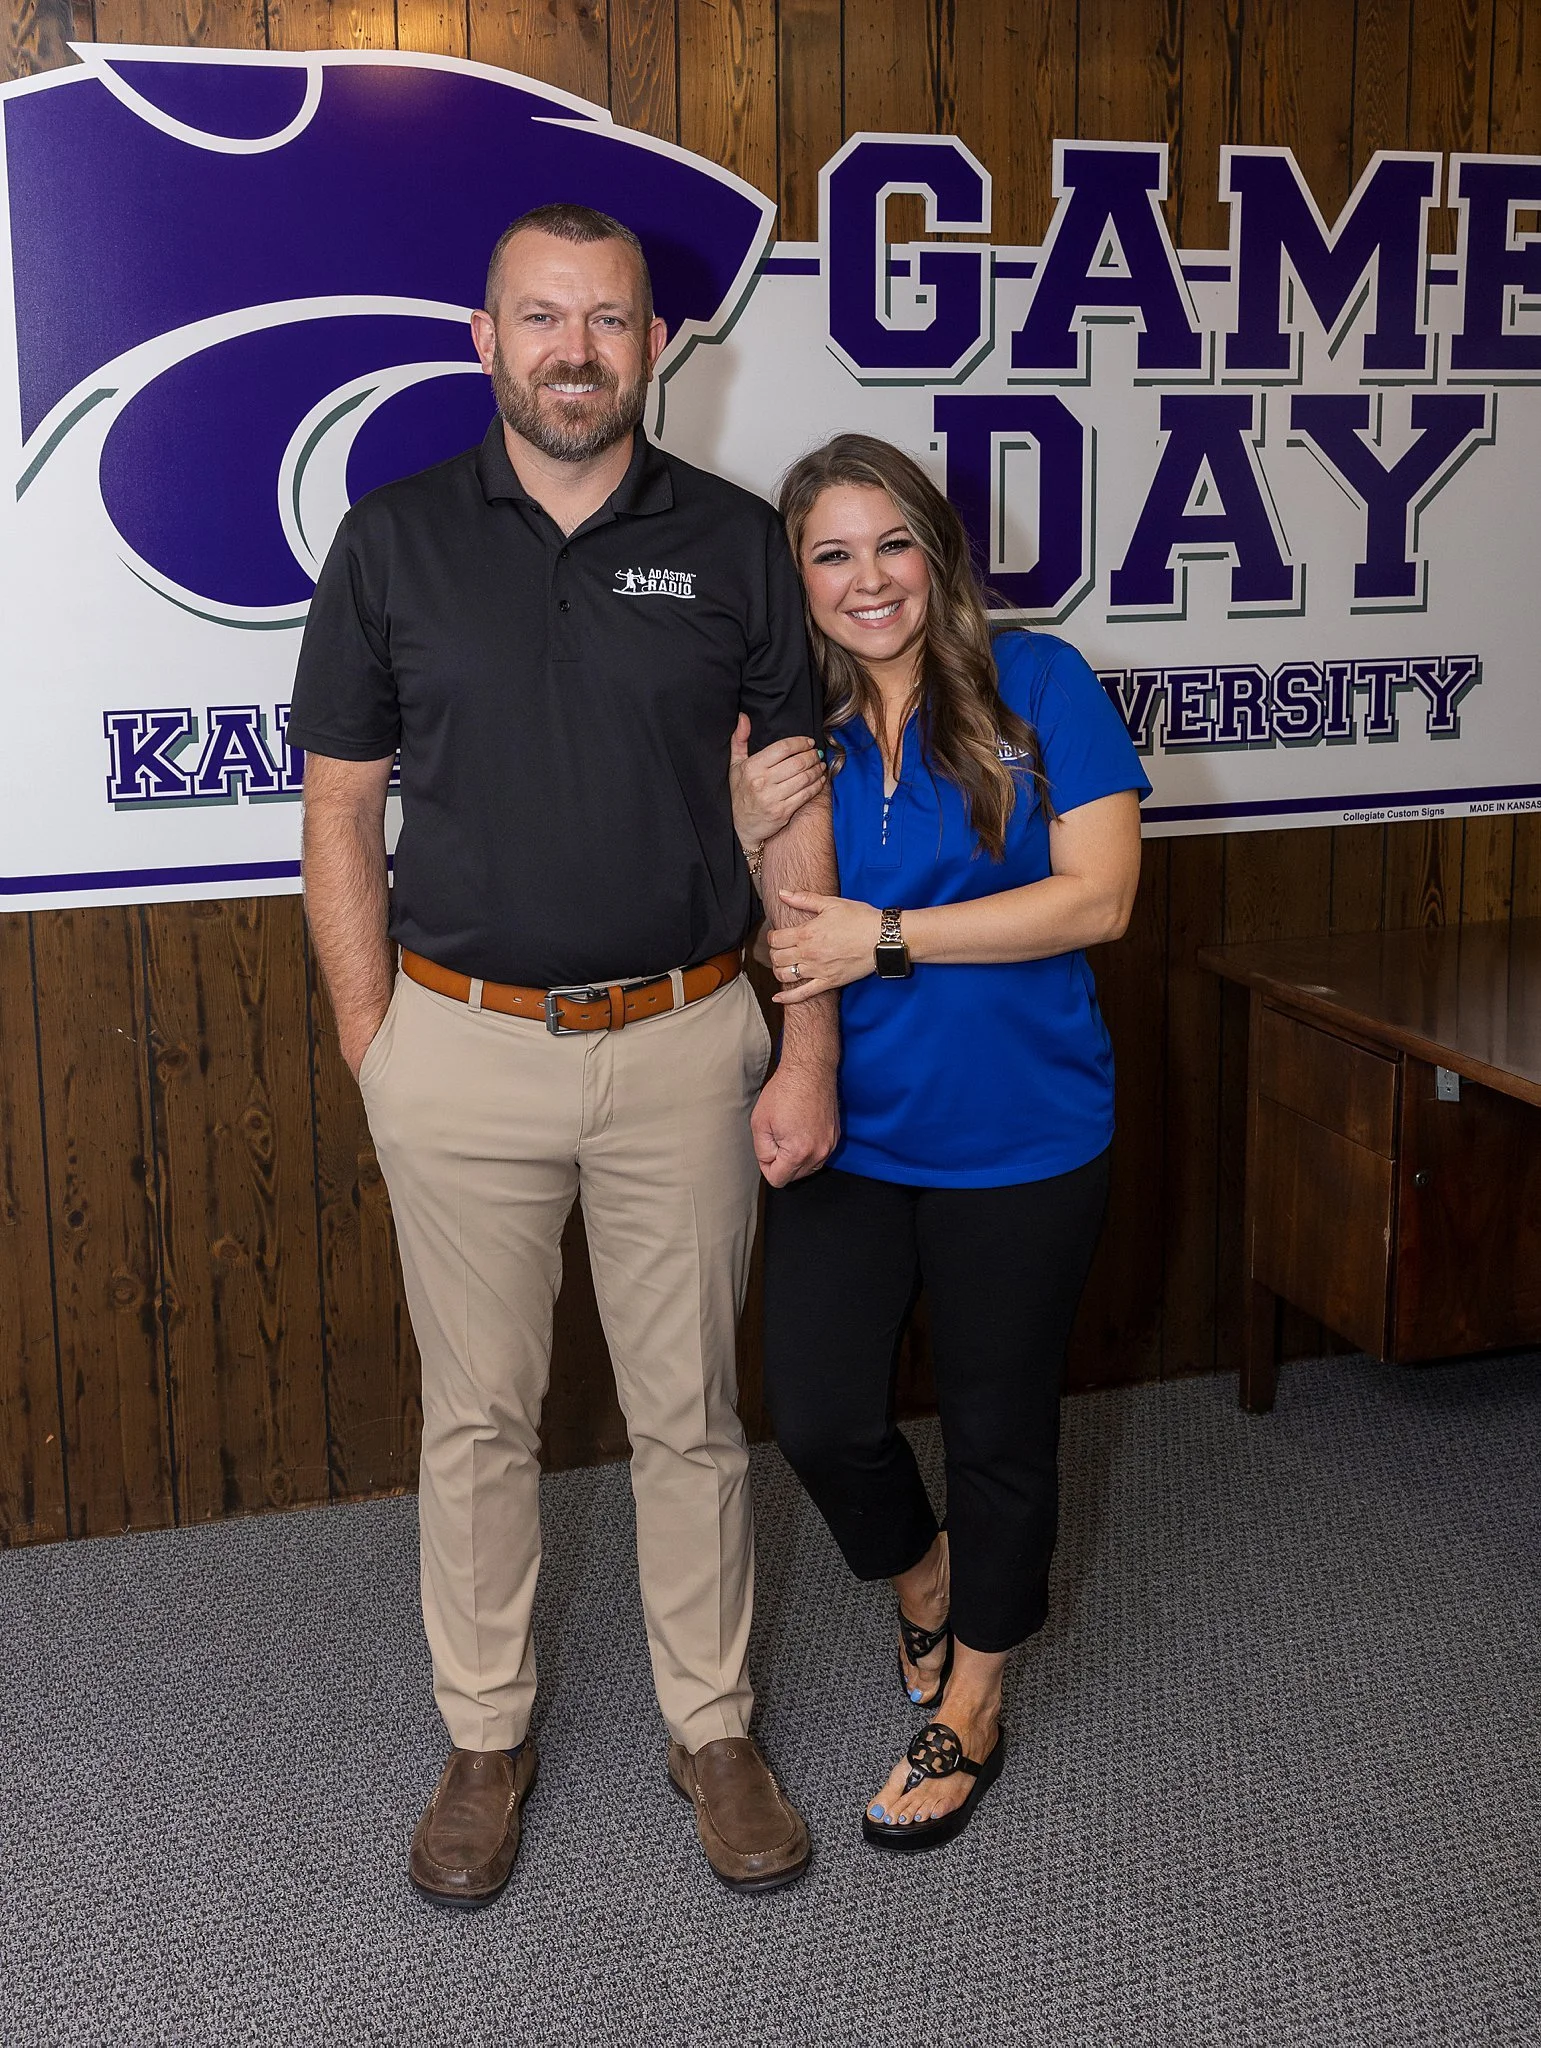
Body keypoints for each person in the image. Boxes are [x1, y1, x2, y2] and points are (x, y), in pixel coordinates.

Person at [288, 204, 839, 1906]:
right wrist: (376, 1044)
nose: (575, 350)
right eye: (542, 316)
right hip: (459, 1049)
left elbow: (791, 814)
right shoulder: (390, 541)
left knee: (690, 1415)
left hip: (686, 1042)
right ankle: (484, 1737)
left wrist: (805, 1046)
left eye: (608, 319)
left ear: (654, 346)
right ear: (487, 340)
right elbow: (338, 811)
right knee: (476, 1422)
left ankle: (713, 1728)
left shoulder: (738, 544)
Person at [732, 434, 1149, 1853]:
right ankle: (924, 1580)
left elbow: (1099, 899)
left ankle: (973, 1697)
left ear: (938, 553)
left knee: (998, 1428)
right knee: (821, 1415)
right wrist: (736, 827)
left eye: (893, 543)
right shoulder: (788, 730)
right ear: (799, 581)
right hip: (853, 1131)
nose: (870, 579)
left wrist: (889, 938)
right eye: (832, 554)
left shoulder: (1042, 683)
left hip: (1027, 1135)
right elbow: (749, 920)